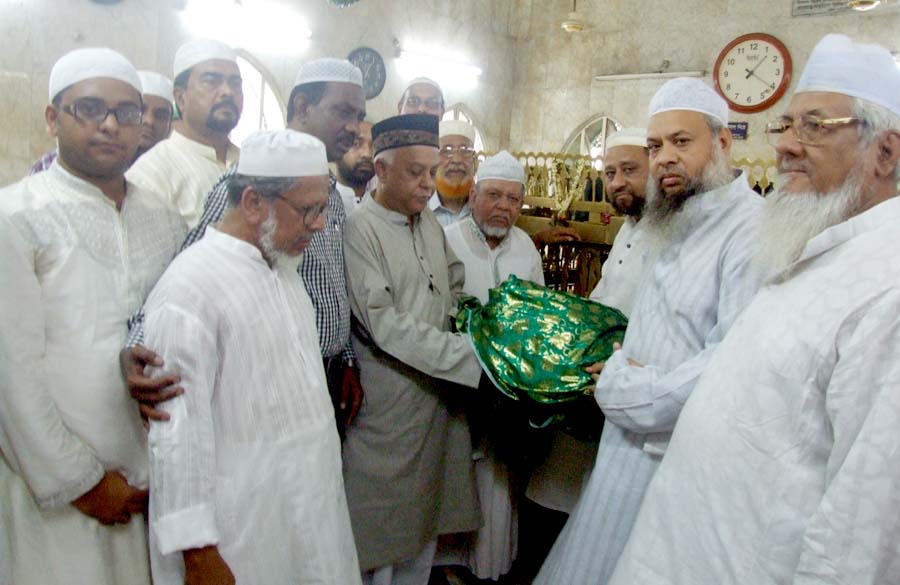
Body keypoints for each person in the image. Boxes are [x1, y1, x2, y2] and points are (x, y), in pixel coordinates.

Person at [609, 33, 900, 585]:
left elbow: (864, 532)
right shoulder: (812, 246)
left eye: (815, 127)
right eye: (787, 126)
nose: (786, 145)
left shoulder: (888, 287)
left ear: (884, 152)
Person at [534, 77, 764, 585]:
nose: (664, 159)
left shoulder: (749, 231)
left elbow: (731, 367)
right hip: (624, 445)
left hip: (674, 457)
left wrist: (621, 386)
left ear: (722, 143)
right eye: (656, 146)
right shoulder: (672, 218)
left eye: (682, 142)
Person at [0, 47, 186, 585]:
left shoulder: (163, 217)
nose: (111, 125)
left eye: (128, 113)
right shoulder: (16, 216)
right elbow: (11, 372)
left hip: (153, 481)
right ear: (53, 118)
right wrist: (79, 481)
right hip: (53, 491)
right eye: (89, 109)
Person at [144, 129, 360, 585]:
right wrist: (197, 551)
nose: (320, 225)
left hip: (308, 516)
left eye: (324, 208)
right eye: (309, 210)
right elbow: (178, 435)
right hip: (239, 535)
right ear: (252, 202)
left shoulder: (283, 269)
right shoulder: (191, 287)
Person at [121, 57, 367, 436]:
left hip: (329, 372)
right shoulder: (252, 181)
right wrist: (139, 341)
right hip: (272, 379)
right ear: (302, 107)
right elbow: (190, 265)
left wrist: (345, 355)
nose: (354, 127)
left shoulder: (331, 192)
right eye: (343, 112)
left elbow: (330, 282)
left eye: (359, 115)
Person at [343, 113, 484, 585]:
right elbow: (384, 323)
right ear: (381, 171)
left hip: (435, 404)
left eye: (432, 170)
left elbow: (454, 280)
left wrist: (480, 325)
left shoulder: (427, 223)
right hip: (388, 411)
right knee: (379, 540)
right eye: (416, 172)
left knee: (423, 533)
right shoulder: (360, 230)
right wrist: (471, 358)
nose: (430, 184)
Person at [437, 150, 542, 581]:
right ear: (475, 194)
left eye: (513, 199)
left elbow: (538, 315)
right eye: (494, 195)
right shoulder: (446, 238)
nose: (503, 206)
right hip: (458, 384)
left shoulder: (526, 247)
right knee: (457, 470)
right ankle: (447, 563)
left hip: (508, 390)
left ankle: (490, 565)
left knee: (498, 480)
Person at [128, 38, 242, 227]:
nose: (228, 92)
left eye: (235, 83)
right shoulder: (151, 173)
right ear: (181, 98)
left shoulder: (251, 164)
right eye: (211, 81)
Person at [28, 69, 176, 174]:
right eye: (91, 110)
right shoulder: (52, 166)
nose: (149, 121)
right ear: (53, 119)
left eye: (161, 115)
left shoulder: (171, 174)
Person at [587, 127, 653, 316]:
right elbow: (605, 297)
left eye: (629, 170)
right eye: (610, 173)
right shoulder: (627, 228)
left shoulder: (673, 232)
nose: (617, 182)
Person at [430, 119, 477, 226]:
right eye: (447, 151)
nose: (457, 160)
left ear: (474, 161)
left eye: (465, 151)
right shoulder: (419, 209)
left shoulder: (485, 210)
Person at [336, 119, 374, 213]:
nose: (367, 154)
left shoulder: (385, 204)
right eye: (356, 144)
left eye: (374, 146)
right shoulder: (321, 203)